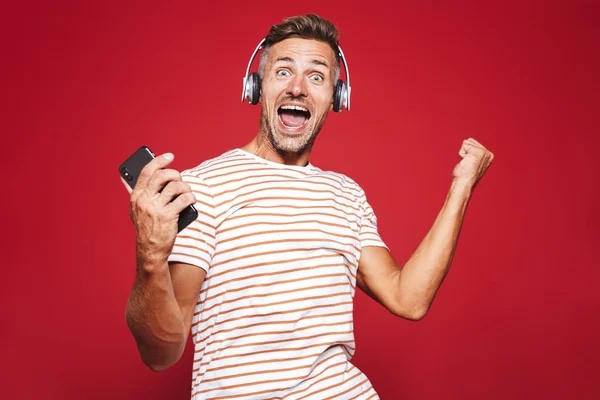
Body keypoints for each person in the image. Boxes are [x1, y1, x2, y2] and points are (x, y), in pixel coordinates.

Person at [122, 14, 494, 400]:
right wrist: (151, 257)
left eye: (316, 77)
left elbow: (408, 298)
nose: (298, 88)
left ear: (336, 98)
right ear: (257, 87)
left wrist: (461, 186)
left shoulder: (346, 195)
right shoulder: (203, 187)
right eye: (283, 72)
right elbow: (162, 353)